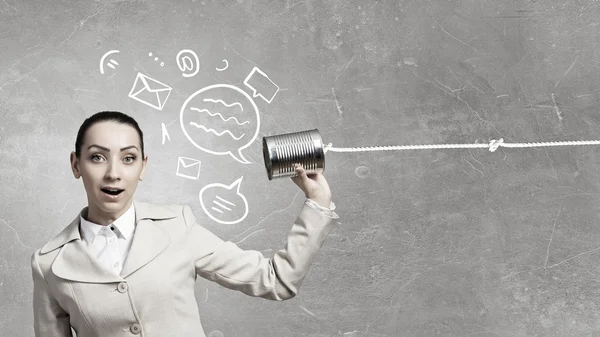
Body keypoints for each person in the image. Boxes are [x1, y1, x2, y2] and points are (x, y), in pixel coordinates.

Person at [31, 111, 339, 337]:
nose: (113, 173)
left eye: (128, 159)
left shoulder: (177, 226)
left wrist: (318, 203)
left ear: (143, 167)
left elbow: (276, 280)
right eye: (97, 157)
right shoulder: (49, 263)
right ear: (76, 164)